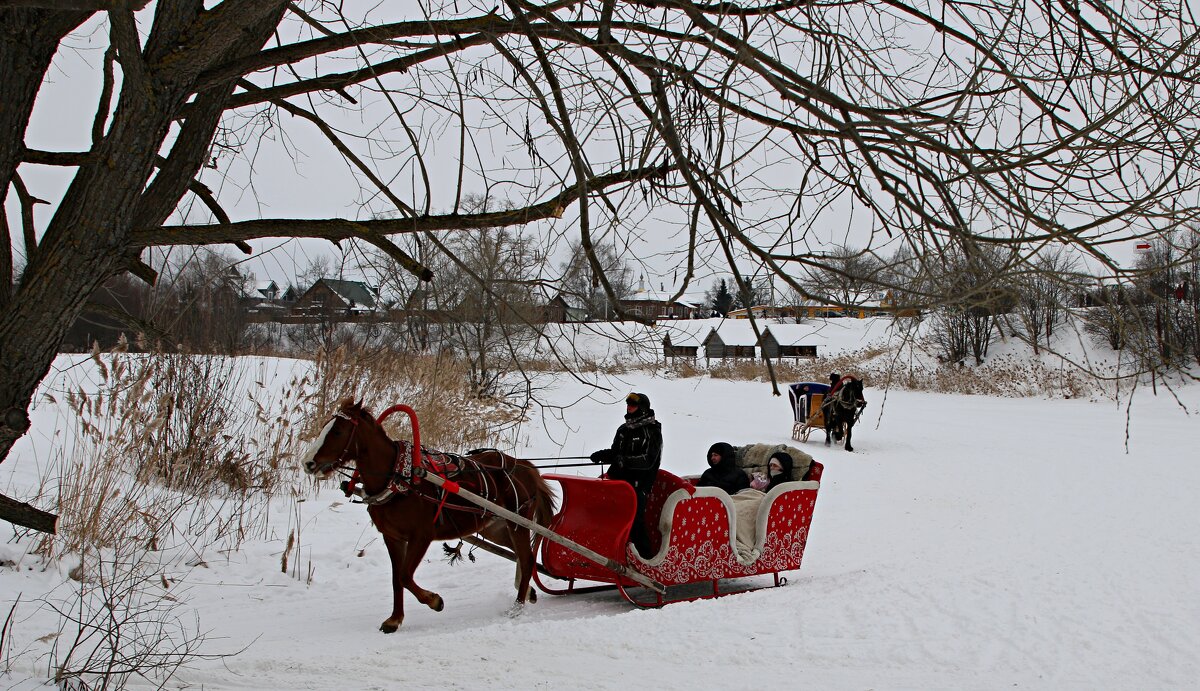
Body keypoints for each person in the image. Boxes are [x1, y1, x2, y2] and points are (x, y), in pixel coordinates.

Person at [590, 392, 662, 556]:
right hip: (618, 484)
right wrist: (603, 455)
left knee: (635, 523)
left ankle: (645, 559)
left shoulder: (652, 431)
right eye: (628, 405)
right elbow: (616, 453)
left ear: (642, 408)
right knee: (611, 519)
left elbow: (649, 460)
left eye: (633, 405)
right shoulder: (623, 429)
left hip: (639, 486)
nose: (629, 408)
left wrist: (626, 461)